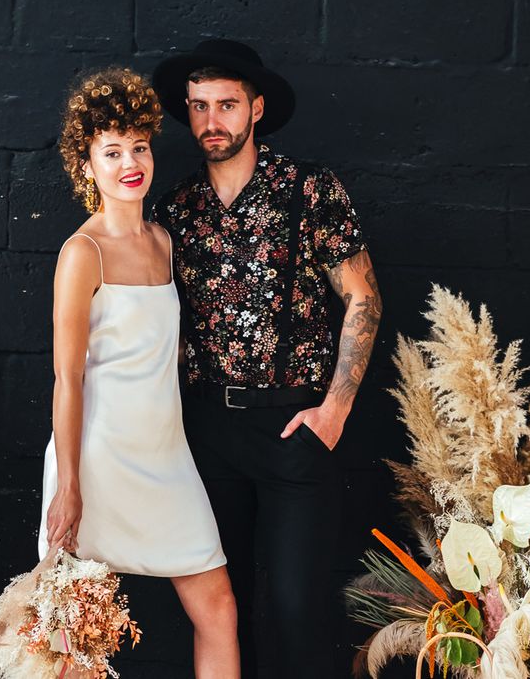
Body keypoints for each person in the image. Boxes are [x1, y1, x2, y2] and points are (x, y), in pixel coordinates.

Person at [151, 40, 383, 677]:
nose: (210, 121)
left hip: (292, 429)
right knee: (219, 613)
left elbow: (363, 299)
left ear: (256, 109)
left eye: (226, 105)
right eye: (198, 107)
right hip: (205, 434)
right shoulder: (176, 209)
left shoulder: (309, 190)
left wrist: (333, 412)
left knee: (294, 611)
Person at [37, 67, 240, 679]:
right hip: (97, 459)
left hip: (164, 457)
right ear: (88, 165)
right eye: (112, 151)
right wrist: (69, 486)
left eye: (140, 146)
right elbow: (67, 380)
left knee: (219, 608)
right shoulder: (83, 253)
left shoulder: (162, 242)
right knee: (72, 633)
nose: (131, 162)